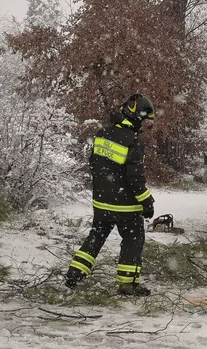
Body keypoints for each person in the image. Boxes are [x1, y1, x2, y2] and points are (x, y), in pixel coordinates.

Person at [64, 93, 156, 296]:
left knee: (96, 236)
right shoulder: (133, 140)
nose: (144, 125)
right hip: (126, 206)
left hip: (101, 203)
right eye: (144, 120)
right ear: (135, 116)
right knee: (133, 240)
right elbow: (135, 179)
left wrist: (105, 192)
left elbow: (94, 166)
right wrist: (147, 202)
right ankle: (128, 285)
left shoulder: (102, 133)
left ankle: (75, 273)